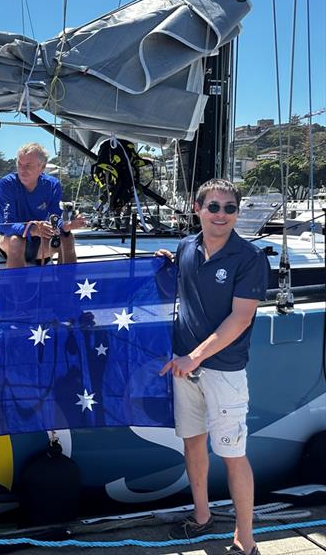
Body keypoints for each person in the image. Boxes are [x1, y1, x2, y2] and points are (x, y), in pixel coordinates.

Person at [157, 178, 269, 555]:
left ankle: (245, 539)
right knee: (193, 445)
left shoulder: (250, 258)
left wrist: (194, 356)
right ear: (197, 209)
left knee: (233, 455)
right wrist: (165, 263)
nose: (221, 215)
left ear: (237, 213)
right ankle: (201, 516)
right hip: (185, 368)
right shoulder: (186, 246)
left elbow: (240, 319)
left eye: (229, 208)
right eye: (213, 207)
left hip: (223, 370)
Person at [0, 142, 83, 268]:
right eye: (20, 164)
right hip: (8, 240)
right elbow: (6, 225)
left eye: (28, 166)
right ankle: (16, 288)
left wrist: (65, 225)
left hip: (40, 238)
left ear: (42, 167)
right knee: (16, 242)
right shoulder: (7, 184)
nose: (22, 170)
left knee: (67, 238)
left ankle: (67, 284)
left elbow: (54, 216)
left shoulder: (52, 185)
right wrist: (33, 229)